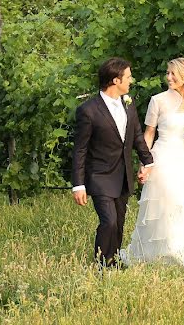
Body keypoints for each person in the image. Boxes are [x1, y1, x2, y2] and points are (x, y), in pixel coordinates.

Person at [122, 57, 184, 272]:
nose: (168, 77)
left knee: (180, 205)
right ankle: (155, 253)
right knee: (165, 202)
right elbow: (148, 134)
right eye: (167, 73)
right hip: (163, 157)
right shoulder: (157, 100)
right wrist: (145, 162)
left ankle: (179, 253)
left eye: (173, 73)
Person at [72, 57, 153, 268]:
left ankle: (113, 262)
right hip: (99, 176)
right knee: (108, 221)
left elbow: (136, 136)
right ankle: (101, 265)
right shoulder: (88, 110)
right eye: (128, 77)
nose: (131, 80)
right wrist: (78, 185)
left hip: (123, 174)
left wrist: (148, 162)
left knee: (119, 224)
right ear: (115, 80)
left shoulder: (129, 103)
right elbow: (80, 150)